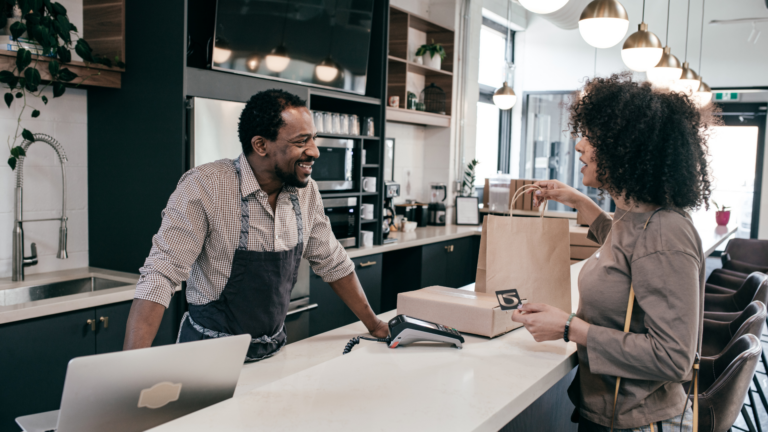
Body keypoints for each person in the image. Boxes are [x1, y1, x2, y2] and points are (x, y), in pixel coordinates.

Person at [511, 73, 715, 432]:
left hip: (639, 421)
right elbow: (622, 245)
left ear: (625, 148)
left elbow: (673, 359)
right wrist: (574, 198)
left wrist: (570, 328)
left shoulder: (665, 233)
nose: (579, 146)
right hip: (613, 414)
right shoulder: (639, 217)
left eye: (591, 138)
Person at [123, 89, 388, 361]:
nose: (314, 151)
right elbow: (160, 274)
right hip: (206, 357)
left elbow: (333, 262)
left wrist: (375, 325)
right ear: (261, 145)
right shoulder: (206, 186)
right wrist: (130, 368)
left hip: (273, 352)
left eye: (314, 139)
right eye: (301, 141)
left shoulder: (306, 192)